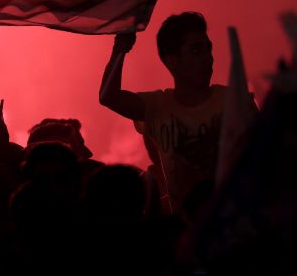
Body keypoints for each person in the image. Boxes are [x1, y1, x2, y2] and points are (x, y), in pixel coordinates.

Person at [99, 12, 258, 213]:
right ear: (172, 60)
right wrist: (120, 49)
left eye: (208, 49)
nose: (208, 58)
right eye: (196, 50)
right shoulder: (157, 106)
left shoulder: (236, 99)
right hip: (188, 234)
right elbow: (108, 96)